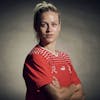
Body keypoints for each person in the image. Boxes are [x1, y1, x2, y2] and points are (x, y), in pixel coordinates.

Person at [23, 1, 85, 100]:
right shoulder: (35, 57)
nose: (49, 29)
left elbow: (81, 94)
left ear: (59, 27)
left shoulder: (65, 57)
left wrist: (62, 91)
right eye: (44, 25)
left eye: (54, 24)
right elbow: (57, 97)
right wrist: (73, 87)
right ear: (36, 27)